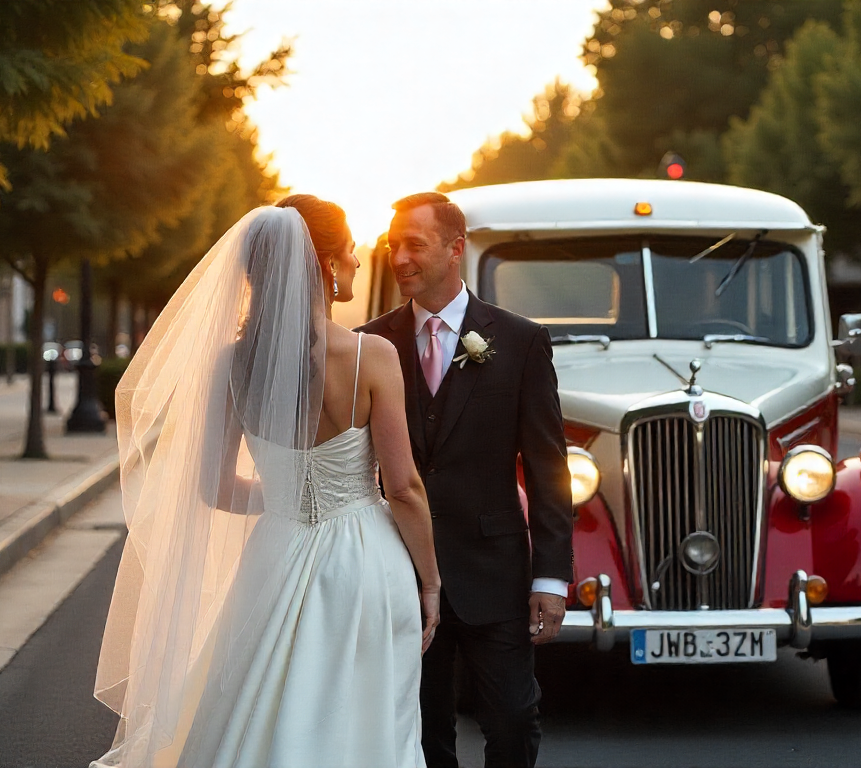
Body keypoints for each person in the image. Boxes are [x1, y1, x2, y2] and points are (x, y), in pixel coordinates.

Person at [90, 197, 440, 768]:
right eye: (349, 248)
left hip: (274, 553)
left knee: (267, 702)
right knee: (369, 716)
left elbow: (213, 488)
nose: (356, 259)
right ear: (325, 264)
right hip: (362, 562)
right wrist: (430, 582)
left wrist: (283, 497)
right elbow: (404, 489)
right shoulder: (371, 356)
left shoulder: (233, 362)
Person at [358, 192, 573, 768]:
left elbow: (550, 468)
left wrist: (551, 577)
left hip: (494, 572)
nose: (399, 257)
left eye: (414, 245)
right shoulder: (368, 345)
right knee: (421, 734)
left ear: (456, 250)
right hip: (398, 571)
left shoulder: (522, 341)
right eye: (393, 245)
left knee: (511, 720)